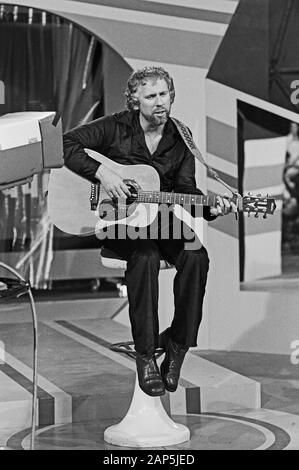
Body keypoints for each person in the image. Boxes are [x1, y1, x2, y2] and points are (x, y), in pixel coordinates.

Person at [63, 66, 236, 397]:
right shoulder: (115, 127)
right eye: (151, 95)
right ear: (134, 100)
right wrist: (103, 174)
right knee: (144, 256)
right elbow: (66, 143)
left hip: (163, 218)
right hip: (120, 221)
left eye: (165, 94)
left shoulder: (180, 136)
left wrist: (212, 207)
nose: (160, 102)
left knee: (196, 255)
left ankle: (177, 344)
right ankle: (145, 355)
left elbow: (186, 188)